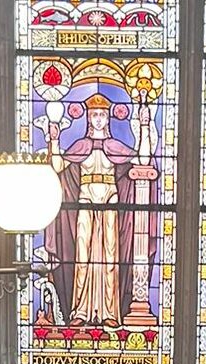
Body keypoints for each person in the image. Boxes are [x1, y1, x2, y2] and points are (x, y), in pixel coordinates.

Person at [43, 91, 156, 327]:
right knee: (82, 256)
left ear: (108, 119)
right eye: (93, 114)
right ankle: (80, 311)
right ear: (88, 118)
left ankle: (109, 313)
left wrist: (145, 125)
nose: (97, 119)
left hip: (110, 201)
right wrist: (54, 140)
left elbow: (143, 160)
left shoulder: (115, 147)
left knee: (110, 256)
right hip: (84, 200)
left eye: (102, 115)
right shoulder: (80, 146)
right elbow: (57, 166)